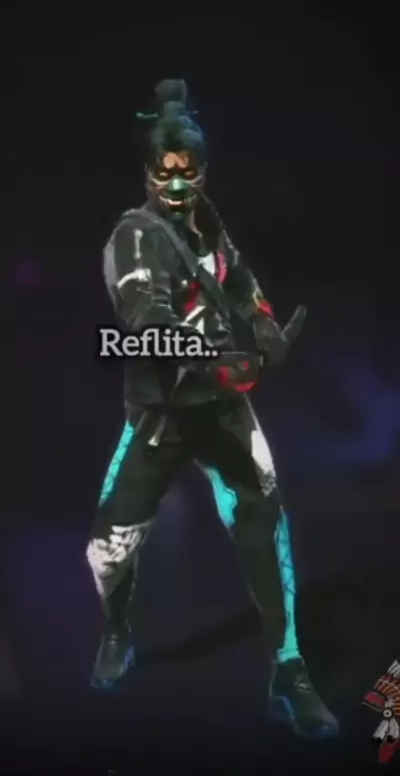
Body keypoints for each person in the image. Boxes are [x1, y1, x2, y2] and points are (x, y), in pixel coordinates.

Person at [86, 79, 339, 739]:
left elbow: (239, 279)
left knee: (267, 528)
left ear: (202, 168)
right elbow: (145, 321)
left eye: (187, 168)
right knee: (108, 550)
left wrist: (263, 322)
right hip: (161, 419)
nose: (176, 181)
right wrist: (211, 360)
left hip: (225, 413)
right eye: (165, 168)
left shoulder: (208, 222)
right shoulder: (135, 237)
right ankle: (117, 628)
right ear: (148, 170)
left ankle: (289, 667)